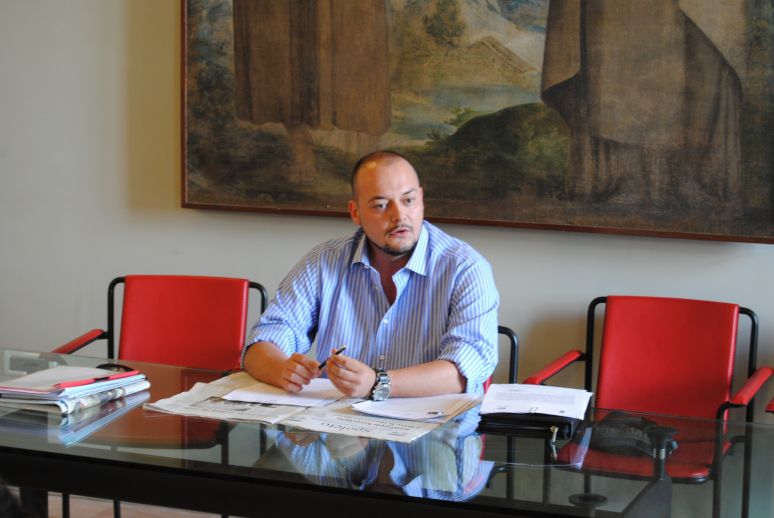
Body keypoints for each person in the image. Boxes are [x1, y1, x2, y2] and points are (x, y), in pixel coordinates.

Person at [242, 150, 499, 399]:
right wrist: (282, 370)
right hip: (337, 421)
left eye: (408, 200)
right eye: (381, 205)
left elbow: (467, 368)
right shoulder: (324, 261)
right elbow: (263, 341)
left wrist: (378, 383)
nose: (399, 216)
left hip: (434, 423)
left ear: (421, 199)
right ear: (355, 212)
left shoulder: (465, 268)